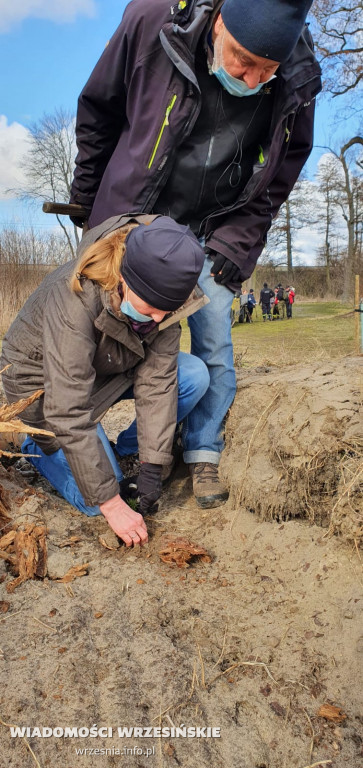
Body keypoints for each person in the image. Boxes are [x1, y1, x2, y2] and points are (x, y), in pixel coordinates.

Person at [70, 0, 321, 507]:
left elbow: (280, 175)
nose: (251, 80)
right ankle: (65, 434)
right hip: (132, 215)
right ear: (222, 21)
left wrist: (238, 241)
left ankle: (197, 452)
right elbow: (99, 108)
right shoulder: (151, 21)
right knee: (94, 330)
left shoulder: (299, 76)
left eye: (265, 71)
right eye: (242, 61)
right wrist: (88, 199)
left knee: (214, 345)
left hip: (214, 228)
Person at [0, 215, 209, 545]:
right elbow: (67, 409)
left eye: (166, 312)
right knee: (98, 498)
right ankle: (36, 447)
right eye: (151, 308)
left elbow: (158, 382)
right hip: (42, 388)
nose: (158, 320)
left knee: (194, 374)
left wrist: (152, 466)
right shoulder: (74, 297)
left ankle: (124, 449)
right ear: (125, 280)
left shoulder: (166, 304)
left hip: (103, 370)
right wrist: (111, 502)